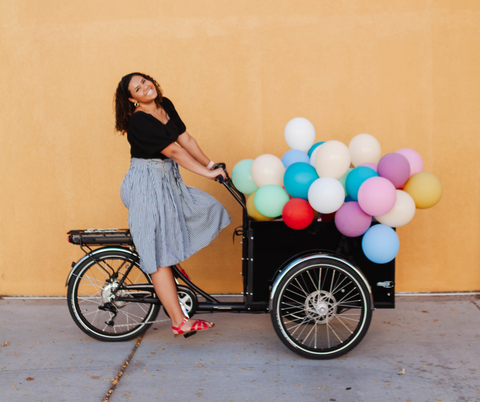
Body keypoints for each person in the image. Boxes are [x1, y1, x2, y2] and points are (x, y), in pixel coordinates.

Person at [114, 72, 231, 338]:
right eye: (137, 88)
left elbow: (185, 140)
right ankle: (179, 321)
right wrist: (207, 174)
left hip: (166, 182)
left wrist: (211, 164)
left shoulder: (164, 105)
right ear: (132, 99)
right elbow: (175, 152)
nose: (145, 87)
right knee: (157, 256)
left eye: (145, 81)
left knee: (207, 209)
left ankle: (179, 308)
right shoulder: (139, 121)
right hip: (146, 185)